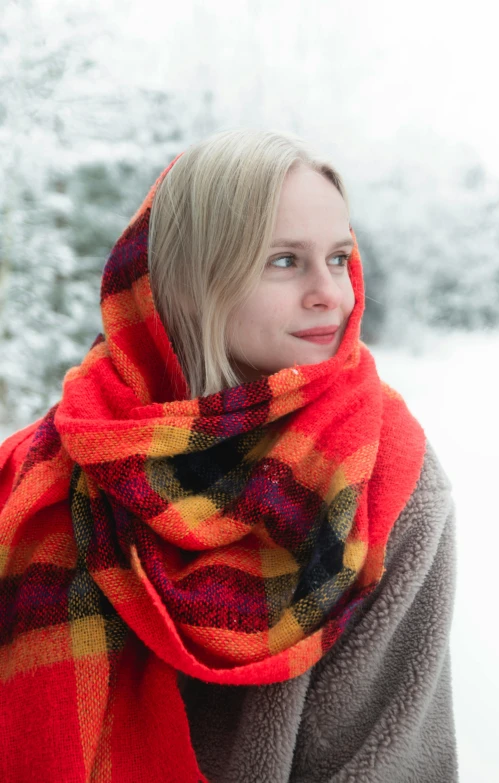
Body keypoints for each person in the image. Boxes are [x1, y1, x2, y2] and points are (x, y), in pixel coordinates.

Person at [0, 128, 458, 782]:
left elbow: (389, 760)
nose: (332, 292)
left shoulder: (384, 475)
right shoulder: (41, 469)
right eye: (284, 261)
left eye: (338, 257)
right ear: (188, 279)